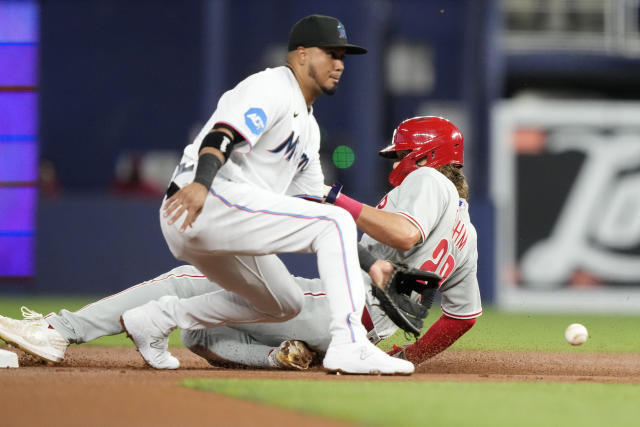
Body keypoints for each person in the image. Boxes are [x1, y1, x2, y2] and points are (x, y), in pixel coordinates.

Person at [0, 116, 481, 370]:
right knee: (199, 333)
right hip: (360, 321)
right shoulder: (467, 231)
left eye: (401, 153)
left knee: (189, 279)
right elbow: (463, 317)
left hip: (340, 304)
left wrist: (338, 200)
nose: (395, 161)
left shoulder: (430, 182)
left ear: (424, 154)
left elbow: (404, 232)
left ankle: (56, 331)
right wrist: (403, 355)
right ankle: (285, 357)